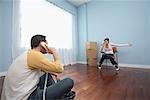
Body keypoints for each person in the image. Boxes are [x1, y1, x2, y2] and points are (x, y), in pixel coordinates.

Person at [1, 35, 75, 100]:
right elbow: (60, 68)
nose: (48, 46)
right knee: (69, 81)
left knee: (47, 74)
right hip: (25, 97)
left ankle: (59, 96)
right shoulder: (35, 55)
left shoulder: (29, 54)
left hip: (15, 95)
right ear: (42, 44)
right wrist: (54, 52)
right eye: (47, 43)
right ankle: (60, 96)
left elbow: (40, 69)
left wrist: (52, 72)